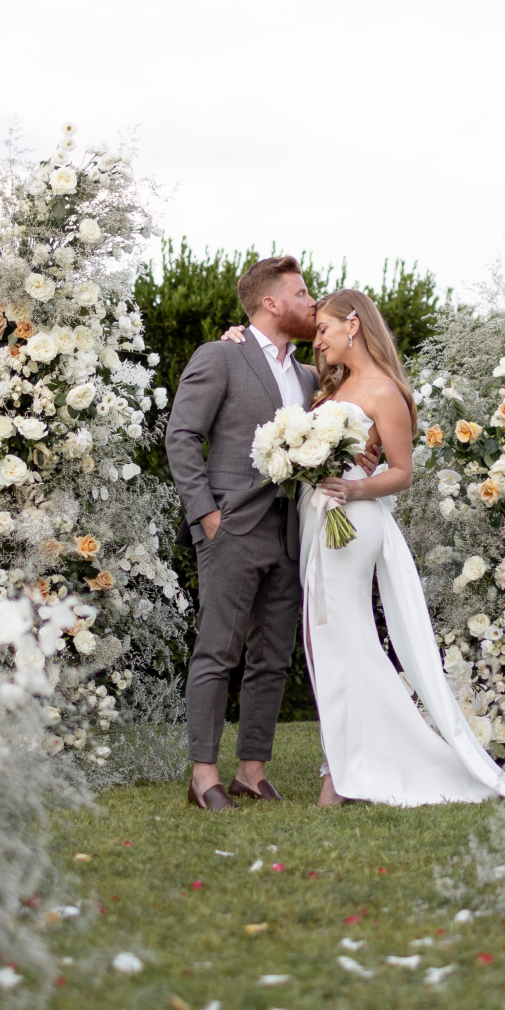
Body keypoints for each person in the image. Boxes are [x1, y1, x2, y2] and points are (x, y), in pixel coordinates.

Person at [221, 290, 505, 808]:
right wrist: (238, 341)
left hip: (352, 519)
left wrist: (351, 489)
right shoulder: (331, 386)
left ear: (353, 325)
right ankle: (346, 765)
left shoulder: (385, 391)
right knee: (329, 644)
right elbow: (271, 373)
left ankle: (343, 775)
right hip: (319, 516)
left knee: (345, 641)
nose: (318, 341)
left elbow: (401, 473)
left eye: (325, 329)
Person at [165, 256, 378, 809]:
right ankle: (204, 775)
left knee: (273, 657)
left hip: (292, 532)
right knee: (218, 651)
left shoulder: (309, 377)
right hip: (232, 526)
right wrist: (206, 515)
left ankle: (251, 772)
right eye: (302, 293)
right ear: (271, 302)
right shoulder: (221, 355)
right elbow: (181, 435)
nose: (312, 302)